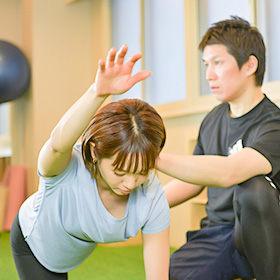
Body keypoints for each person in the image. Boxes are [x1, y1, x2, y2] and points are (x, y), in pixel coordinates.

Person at [10, 45, 170, 280]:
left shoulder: (151, 194)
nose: (131, 183)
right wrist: (97, 93)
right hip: (34, 242)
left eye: (141, 172)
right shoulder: (65, 169)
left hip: (68, 252)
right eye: (120, 171)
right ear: (95, 153)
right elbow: (56, 145)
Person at [156, 16, 280, 280]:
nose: (209, 75)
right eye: (206, 65)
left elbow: (230, 172)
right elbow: (193, 182)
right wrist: (142, 205)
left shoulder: (274, 124)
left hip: (261, 235)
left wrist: (150, 158)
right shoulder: (212, 119)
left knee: (253, 188)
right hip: (217, 234)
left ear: (249, 65)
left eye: (218, 63)